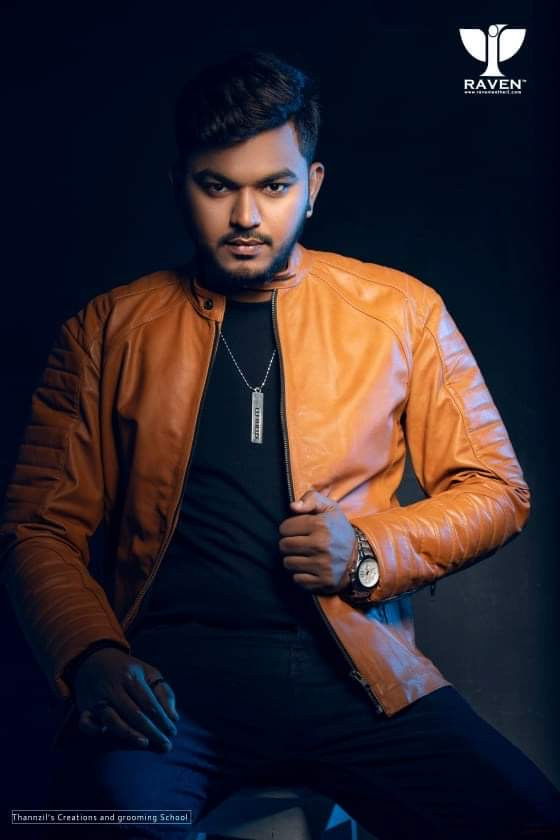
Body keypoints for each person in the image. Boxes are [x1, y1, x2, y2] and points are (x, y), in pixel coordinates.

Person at [1, 49, 559, 840]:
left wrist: (367, 551)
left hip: (354, 679)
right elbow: (38, 526)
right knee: (100, 823)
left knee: (528, 818)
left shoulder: (400, 311)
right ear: (179, 183)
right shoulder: (105, 331)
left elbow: (498, 489)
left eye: (273, 186)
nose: (245, 216)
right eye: (217, 185)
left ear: (313, 185)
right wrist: (89, 654)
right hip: (168, 691)